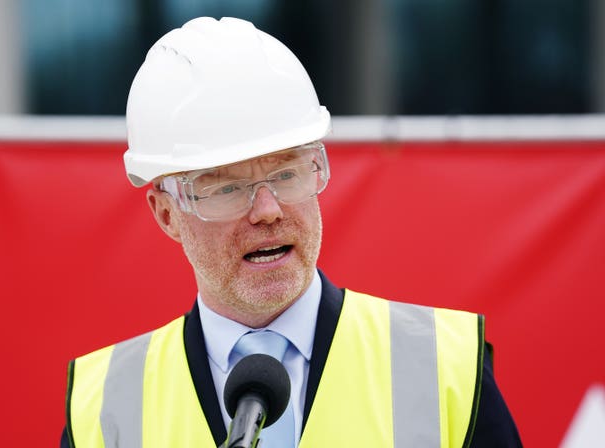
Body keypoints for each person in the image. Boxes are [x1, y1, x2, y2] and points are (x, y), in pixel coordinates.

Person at [62, 17, 521, 447]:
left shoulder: (445, 366)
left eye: (287, 174)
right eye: (227, 186)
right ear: (166, 214)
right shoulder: (103, 410)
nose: (267, 210)